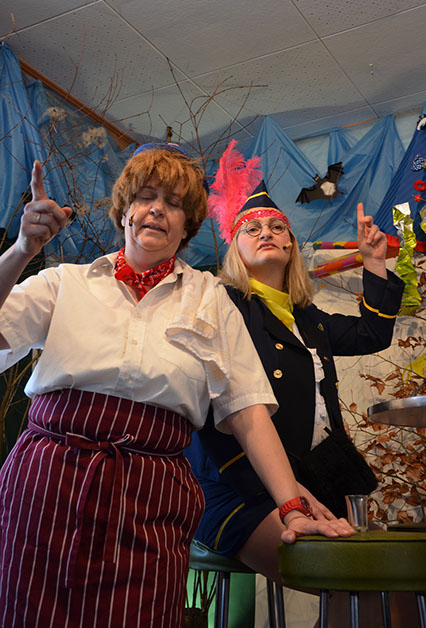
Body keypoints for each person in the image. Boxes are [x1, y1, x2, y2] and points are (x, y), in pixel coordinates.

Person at [0, 144, 354, 628]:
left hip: (153, 491)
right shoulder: (65, 282)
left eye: (172, 203)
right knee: (29, 612)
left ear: (187, 225)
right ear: (124, 210)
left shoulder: (211, 298)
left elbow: (247, 411)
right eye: (145, 197)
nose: (156, 210)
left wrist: (291, 507)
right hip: (49, 481)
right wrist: (22, 250)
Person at [187, 143, 404, 589]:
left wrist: (374, 262)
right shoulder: (222, 305)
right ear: (234, 248)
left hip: (316, 476)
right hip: (238, 483)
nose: (265, 232)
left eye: (276, 226)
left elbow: (372, 333)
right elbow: (213, 417)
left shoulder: (308, 318)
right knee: (348, 580)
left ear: (290, 244)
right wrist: (287, 493)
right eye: (251, 228)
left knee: (385, 580)